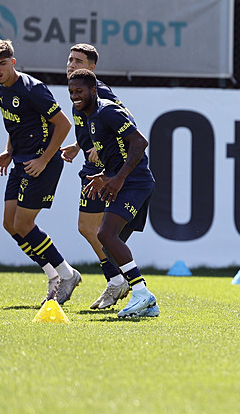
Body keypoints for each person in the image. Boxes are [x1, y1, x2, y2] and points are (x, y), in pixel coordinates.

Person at [0, 39, 81, 305]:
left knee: (23, 224)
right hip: (21, 161)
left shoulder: (32, 88)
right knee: (10, 224)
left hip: (42, 163)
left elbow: (64, 125)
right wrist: (8, 151)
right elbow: (15, 125)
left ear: (13, 62)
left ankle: (67, 274)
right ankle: (53, 275)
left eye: (2, 64)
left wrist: (44, 159)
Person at [67, 69, 158, 318]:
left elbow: (139, 142)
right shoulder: (89, 117)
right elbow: (117, 153)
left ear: (93, 90)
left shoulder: (107, 111)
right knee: (109, 246)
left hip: (135, 182)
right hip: (125, 180)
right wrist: (106, 176)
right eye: (71, 91)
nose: (74, 96)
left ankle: (142, 293)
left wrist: (119, 178)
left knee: (105, 235)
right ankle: (147, 302)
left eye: (79, 91)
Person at [60, 44, 130, 310]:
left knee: (93, 229)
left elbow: (126, 120)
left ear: (92, 68)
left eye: (78, 61)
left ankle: (118, 279)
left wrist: (102, 148)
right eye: (70, 59)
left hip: (103, 171)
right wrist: (79, 145)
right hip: (92, 169)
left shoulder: (99, 90)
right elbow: (93, 126)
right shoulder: (78, 91)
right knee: (95, 229)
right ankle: (118, 278)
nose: (71, 64)